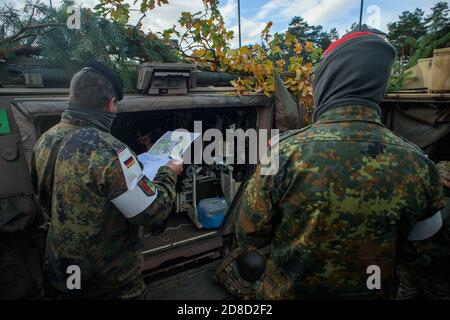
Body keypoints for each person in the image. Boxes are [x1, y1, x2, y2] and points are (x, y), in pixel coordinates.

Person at [234, 32, 447, 299]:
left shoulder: (281, 154)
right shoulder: (419, 164)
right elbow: (423, 251)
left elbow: (249, 235)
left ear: (327, 81)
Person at [30, 60, 183, 299]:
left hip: (61, 268)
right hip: (107, 280)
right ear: (111, 104)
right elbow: (153, 212)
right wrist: (169, 172)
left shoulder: (45, 139)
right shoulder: (109, 151)